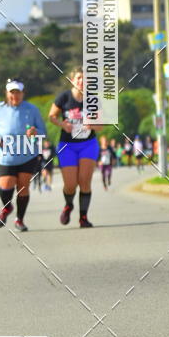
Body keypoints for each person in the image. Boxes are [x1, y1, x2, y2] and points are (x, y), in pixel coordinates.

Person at [0, 79, 46, 232]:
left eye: (18, 92)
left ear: (23, 93)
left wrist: (35, 132)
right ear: (6, 93)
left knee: (23, 187)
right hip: (6, 155)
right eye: (12, 92)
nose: (15, 95)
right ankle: (7, 208)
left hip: (27, 155)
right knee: (5, 187)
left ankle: (20, 220)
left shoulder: (32, 109)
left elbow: (43, 131)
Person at [48, 66, 100, 228]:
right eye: (79, 78)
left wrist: (92, 124)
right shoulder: (64, 97)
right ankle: (68, 205)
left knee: (85, 181)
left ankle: (83, 217)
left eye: (86, 78)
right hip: (67, 145)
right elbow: (52, 116)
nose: (82, 81)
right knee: (70, 185)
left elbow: (101, 126)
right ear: (72, 80)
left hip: (88, 144)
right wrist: (62, 124)